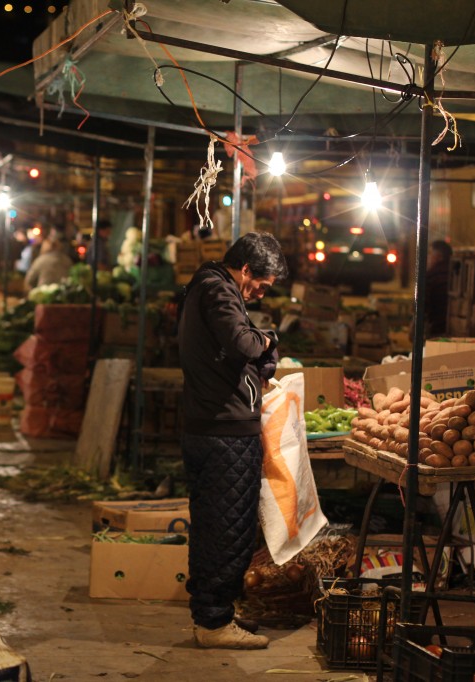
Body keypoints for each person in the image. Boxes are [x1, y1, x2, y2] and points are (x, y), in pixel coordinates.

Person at [177, 232, 288, 649]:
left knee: (220, 525)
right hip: (221, 432)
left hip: (217, 426)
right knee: (226, 528)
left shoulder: (210, 288)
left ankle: (216, 612)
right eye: (262, 283)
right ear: (245, 269)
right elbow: (242, 341)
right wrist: (268, 339)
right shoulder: (216, 290)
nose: (261, 291)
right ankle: (212, 624)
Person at [424, 239, 452, 336]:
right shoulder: (456, 273)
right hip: (454, 325)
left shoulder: (431, 275)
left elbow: (423, 304)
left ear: (438, 257)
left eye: (430, 253)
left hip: (436, 326)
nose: (428, 257)